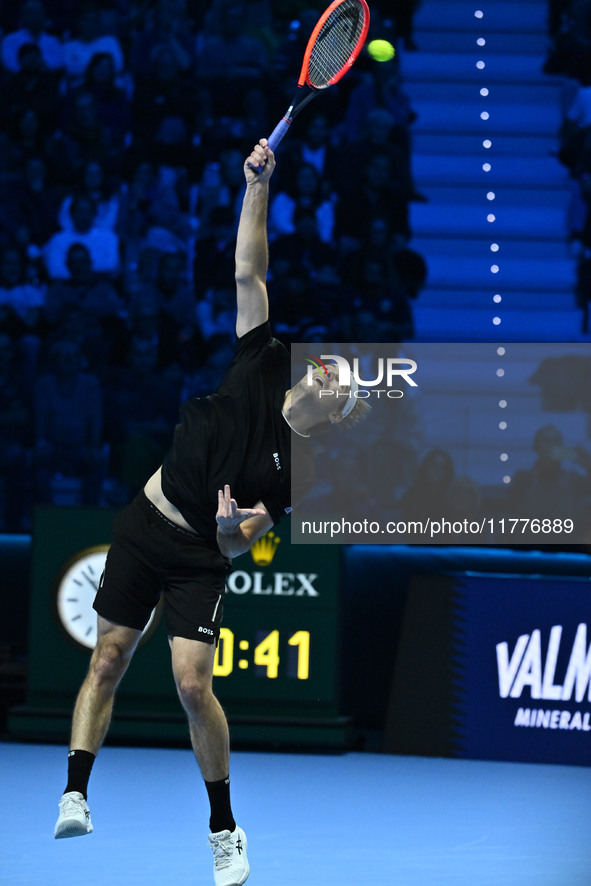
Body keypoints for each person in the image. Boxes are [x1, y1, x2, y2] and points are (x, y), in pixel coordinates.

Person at [53, 139, 368, 886]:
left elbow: (240, 543)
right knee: (107, 659)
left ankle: (224, 829)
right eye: (331, 363)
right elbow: (247, 268)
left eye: (341, 380)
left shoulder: (296, 474)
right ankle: (75, 792)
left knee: (194, 685)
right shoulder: (262, 356)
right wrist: (259, 184)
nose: (327, 368)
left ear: (338, 410)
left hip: (198, 556)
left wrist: (230, 533)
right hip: (144, 522)